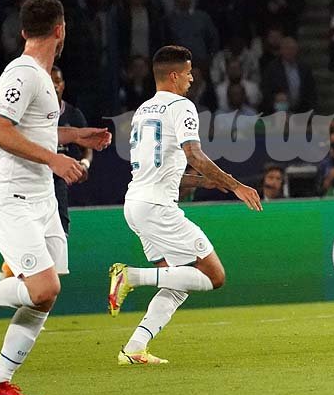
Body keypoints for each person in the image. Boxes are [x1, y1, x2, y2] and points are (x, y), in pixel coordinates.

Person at [0, 0, 113, 395]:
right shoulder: (21, 73)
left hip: (42, 199)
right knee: (42, 288)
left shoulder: (41, 77)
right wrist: (55, 159)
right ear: (60, 30)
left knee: (46, 295)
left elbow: (35, 131)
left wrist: (76, 136)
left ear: (23, 31)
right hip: (12, 198)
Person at [107, 45, 263, 366]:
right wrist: (235, 184)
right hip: (157, 208)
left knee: (177, 281)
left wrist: (203, 182)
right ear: (174, 75)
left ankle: (135, 347)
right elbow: (194, 154)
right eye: (189, 73)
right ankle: (131, 277)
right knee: (214, 276)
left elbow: (163, 168)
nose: (192, 79)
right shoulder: (181, 106)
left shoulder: (143, 111)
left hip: (136, 203)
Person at [51, 66, 91, 234]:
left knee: (60, 231)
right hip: (38, 176)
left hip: (62, 178)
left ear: (63, 85)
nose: (54, 85)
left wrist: (84, 164)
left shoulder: (74, 114)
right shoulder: (33, 115)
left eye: (57, 81)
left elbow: (87, 147)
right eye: (50, 81)